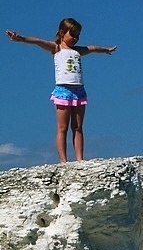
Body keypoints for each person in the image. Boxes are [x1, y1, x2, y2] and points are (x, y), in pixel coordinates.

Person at [6, 18, 117, 163]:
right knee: (62, 127)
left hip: (79, 91)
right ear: (62, 33)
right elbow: (38, 41)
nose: (75, 39)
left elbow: (92, 48)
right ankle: (63, 161)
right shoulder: (56, 48)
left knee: (78, 127)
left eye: (78, 36)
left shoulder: (77, 51)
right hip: (63, 91)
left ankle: (80, 159)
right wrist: (21, 38)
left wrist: (106, 50)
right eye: (73, 35)